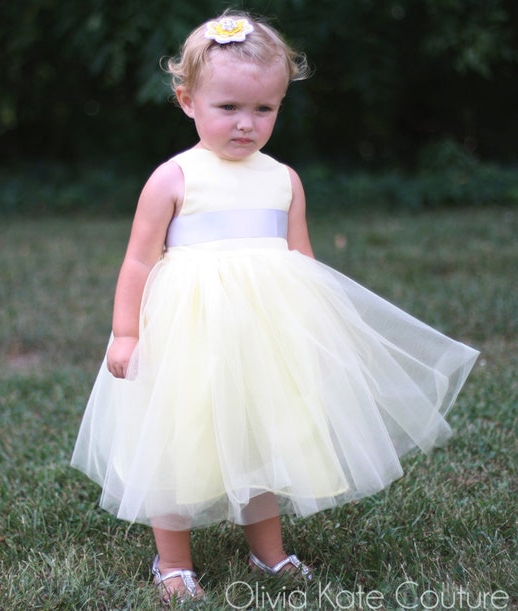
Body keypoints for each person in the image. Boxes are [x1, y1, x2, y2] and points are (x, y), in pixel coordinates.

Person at [71, 11, 479, 605]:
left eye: (264, 109)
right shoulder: (174, 178)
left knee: (261, 438)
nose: (246, 124)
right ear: (188, 101)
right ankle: (173, 563)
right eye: (229, 107)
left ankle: (269, 550)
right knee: (180, 440)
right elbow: (138, 262)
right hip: (190, 337)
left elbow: (302, 262)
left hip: (264, 340)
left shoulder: (284, 179)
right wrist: (125, 333)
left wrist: (316, 333)